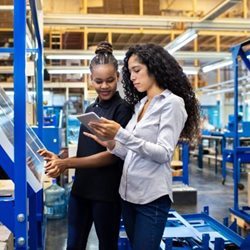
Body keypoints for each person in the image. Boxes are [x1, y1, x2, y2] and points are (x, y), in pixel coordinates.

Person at [85, 43, 200, 250]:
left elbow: (164, 153)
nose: (132, 77)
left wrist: (120, 133)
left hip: (151, 198)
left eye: (137, 70)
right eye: (130, 72)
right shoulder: (141, 104)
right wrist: (110, 143)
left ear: (154, 67)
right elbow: (130, 151)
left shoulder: (172, 104)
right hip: (128, 195)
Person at [38, 41, 133, 250]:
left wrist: (67, 164)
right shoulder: (91, 107)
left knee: (107, 246)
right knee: (73, 245)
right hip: (80, 190)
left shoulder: (123, 110)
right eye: (98, 81)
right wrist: (61, 157)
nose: (104, 86)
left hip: (106, 194)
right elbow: (88, 147)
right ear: (90, 80)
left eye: (110, 80)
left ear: (118, 77)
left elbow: (113, 155)